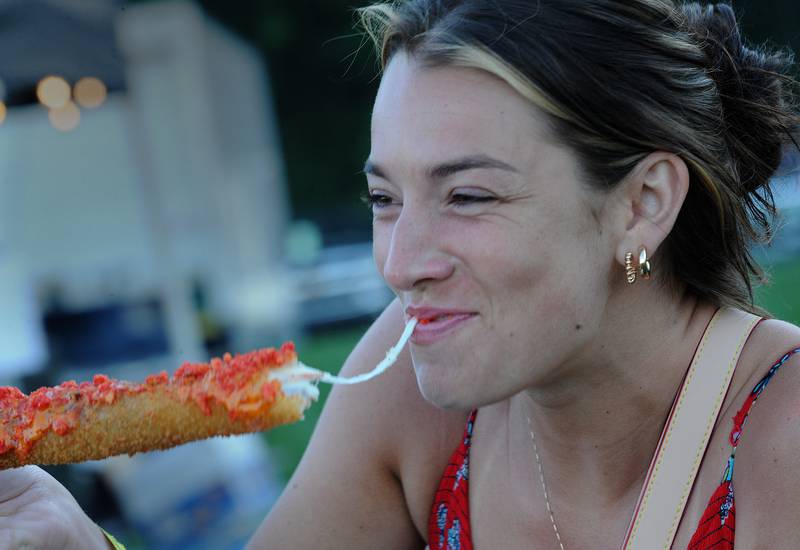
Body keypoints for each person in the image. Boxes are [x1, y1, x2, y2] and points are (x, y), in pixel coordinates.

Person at [2, 1, 799, 548]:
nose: (400, 263)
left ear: (643, 203)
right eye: (385, 198)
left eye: (469, 195)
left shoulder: (781, 441)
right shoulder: (415, 390)